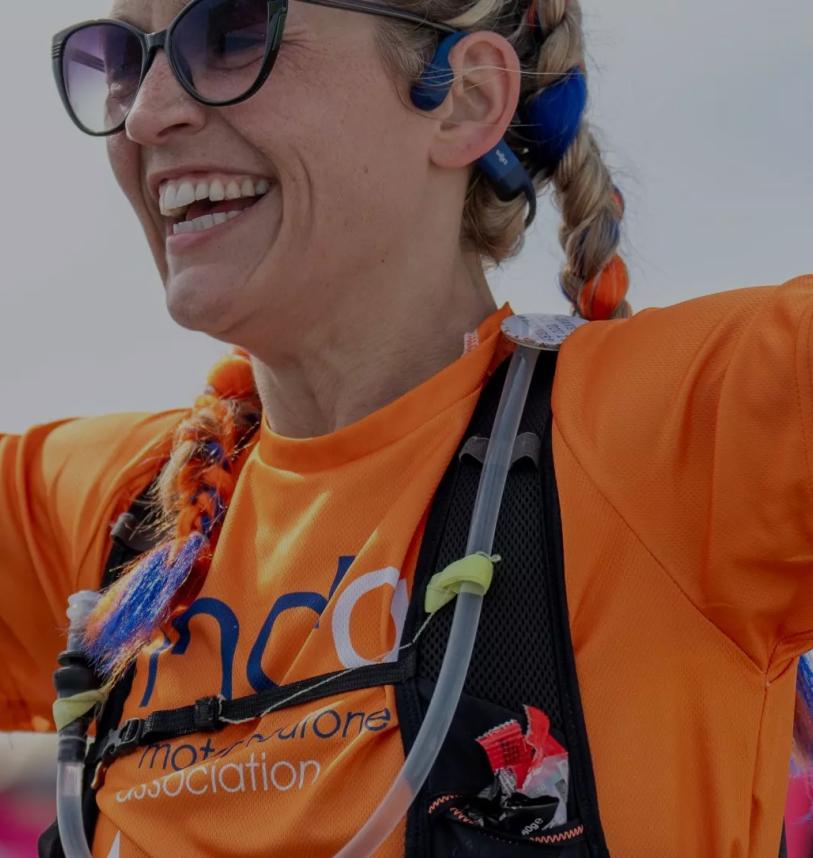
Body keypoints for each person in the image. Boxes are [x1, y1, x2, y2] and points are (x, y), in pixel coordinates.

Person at [1, 0, 810, 855]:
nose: (148, 112)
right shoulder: (116, 516)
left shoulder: (681, 435)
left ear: (462, 99)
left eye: (232, 32)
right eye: (122, 58)